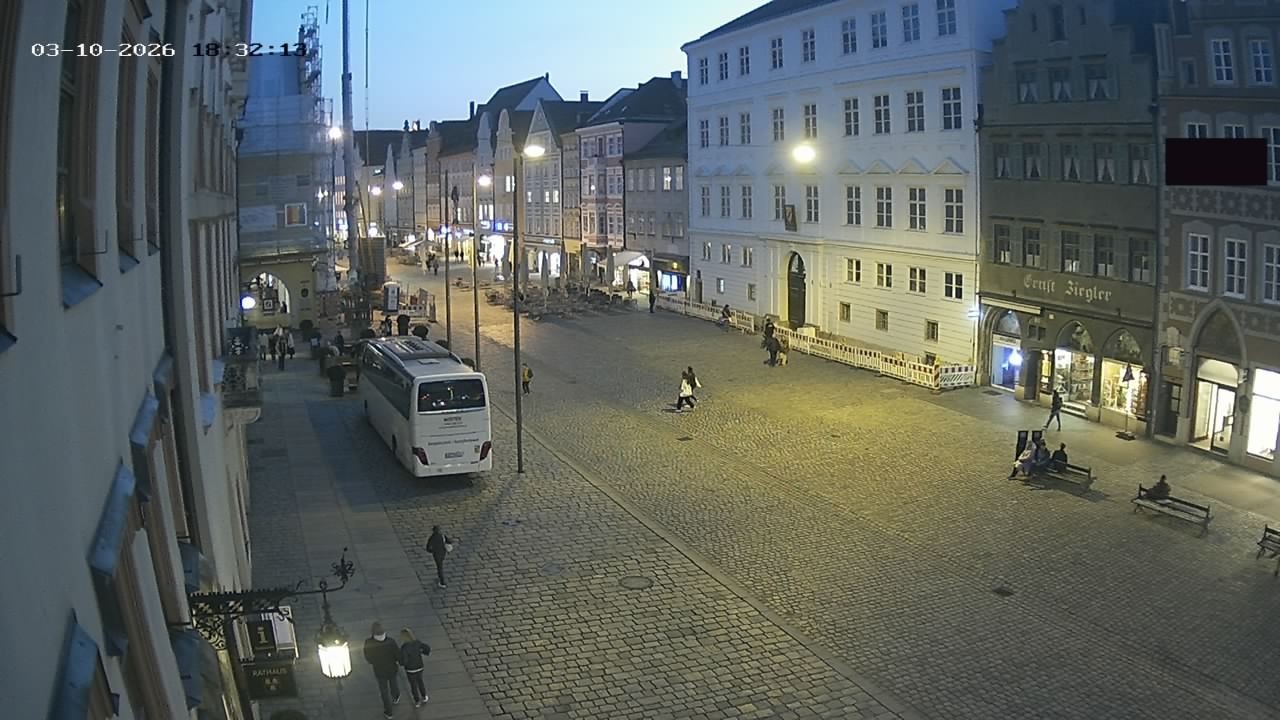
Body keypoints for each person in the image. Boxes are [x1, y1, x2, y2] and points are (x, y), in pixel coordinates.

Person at [363, 622, 401, 719]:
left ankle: (389, 712)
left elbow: (368, 656)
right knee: (394, 683)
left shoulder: (369, 642)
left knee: (384, 691)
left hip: (379, 670)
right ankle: (396, 697)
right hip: (392, 668)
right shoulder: (391, 641)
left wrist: (373, 662)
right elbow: (397, 654)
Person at [399, 628, 431, 707]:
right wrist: (424, 652)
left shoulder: (404, 647)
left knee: (413, 685)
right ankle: (424, 696)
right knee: (420, 682)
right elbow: (427, 648)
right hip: (419, 666)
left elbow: (404, 660)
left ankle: (417, 701)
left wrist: (401, 663)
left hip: (410, 670)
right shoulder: (417, 642)